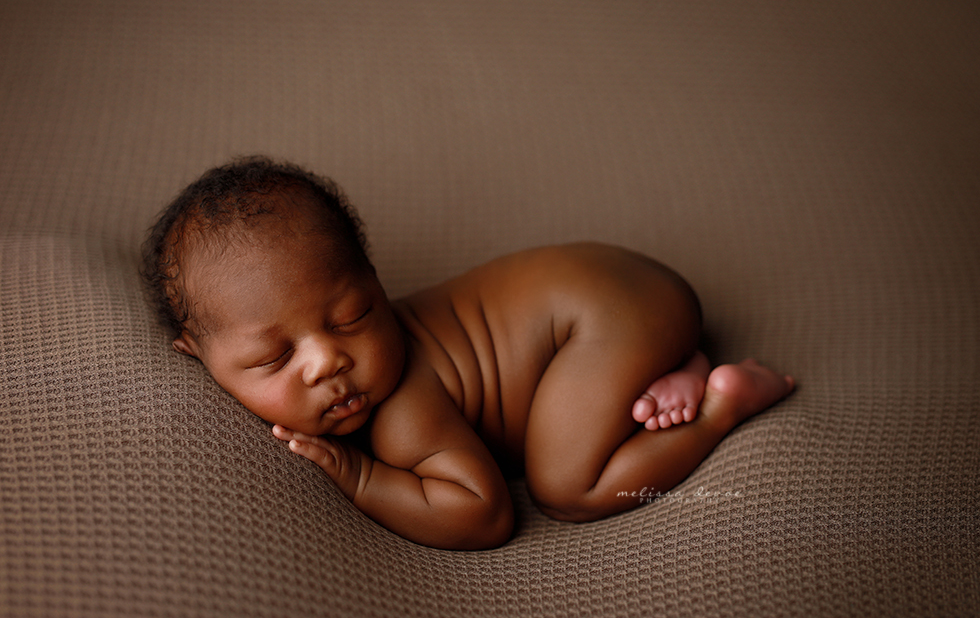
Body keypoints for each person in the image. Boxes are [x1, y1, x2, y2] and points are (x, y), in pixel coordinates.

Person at [141, 157, 795, 550]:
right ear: (194, 354)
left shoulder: (402, 412)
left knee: (571, 487)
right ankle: (672, 367)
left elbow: (484, 515)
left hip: (606, 315)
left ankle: (719, 405)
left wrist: (360, 476)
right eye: (273, 358)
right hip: (616, 292)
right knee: (571, 431)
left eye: (353, 316)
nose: (327, 363)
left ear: (377, 281)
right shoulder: (335, 366)